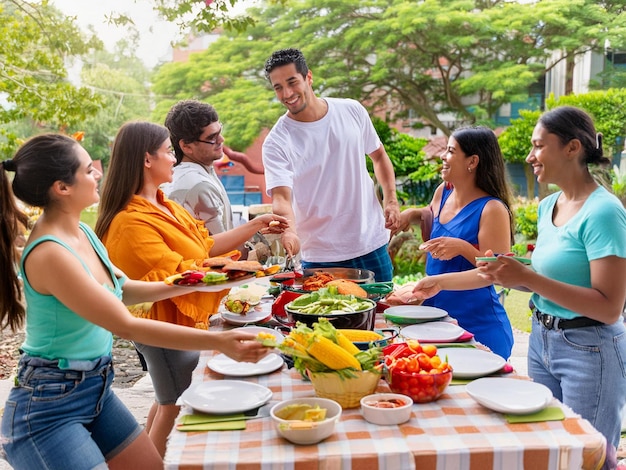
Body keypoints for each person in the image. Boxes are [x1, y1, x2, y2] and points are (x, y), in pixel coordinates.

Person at [0, 134, 270, 470]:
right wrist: (218, 341)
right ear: (62, 188)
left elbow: (123, 288)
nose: (98, 173)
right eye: (87, 170)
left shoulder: (82, 233)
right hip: (47, 406)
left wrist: (202, 281)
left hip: (96, 390)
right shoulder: (50, 253)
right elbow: (124, 323)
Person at [410, 106, 626, 463]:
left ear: (572, 148)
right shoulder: (550, 205)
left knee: (588, 457)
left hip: (590, 349)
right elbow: (540, 279)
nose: (530, 156)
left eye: (539, 146)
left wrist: (526, 277)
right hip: (542, 343)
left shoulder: (603, 212)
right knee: (547, 450)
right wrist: (455, 279)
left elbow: (608, 306)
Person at [94, 121, 285, 457]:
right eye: (168, 151)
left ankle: (151, 460)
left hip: (179, 322)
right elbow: (178, 276)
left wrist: (254, 226)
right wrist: (239, 270)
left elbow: (204, 248)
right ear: (147, 160)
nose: (174, 158)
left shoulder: (164, 204)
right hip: (163, 325)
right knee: (175, 404)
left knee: (165, 398)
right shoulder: (129, 221)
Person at [261, 48, 401, 282]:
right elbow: (281, 198)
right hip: (320, 255)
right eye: (278, 87)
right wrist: (289, 231)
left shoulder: (351, 110)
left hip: (371, 242)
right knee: (326, 318)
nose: (286, 93)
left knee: (380, 315)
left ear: (308, 77)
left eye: (292, 82)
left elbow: (378, 156)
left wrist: (392, 201)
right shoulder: (276, 141)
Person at [388, 126, 515, 359]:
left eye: (450, 151)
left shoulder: (492, 209)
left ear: (472, 161)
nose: (442, 157)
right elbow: (432, 215)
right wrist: (412, 214)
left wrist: (462, 248)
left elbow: (497, 272)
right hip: (435, 322)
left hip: (478, 326)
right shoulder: (443, 192)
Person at [162, 99, 263, 238]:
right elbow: (221, 249)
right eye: (212, 138)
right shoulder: (198, 184)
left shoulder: (187, 173)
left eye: (219, 132)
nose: (221, 140)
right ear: (186, 146)